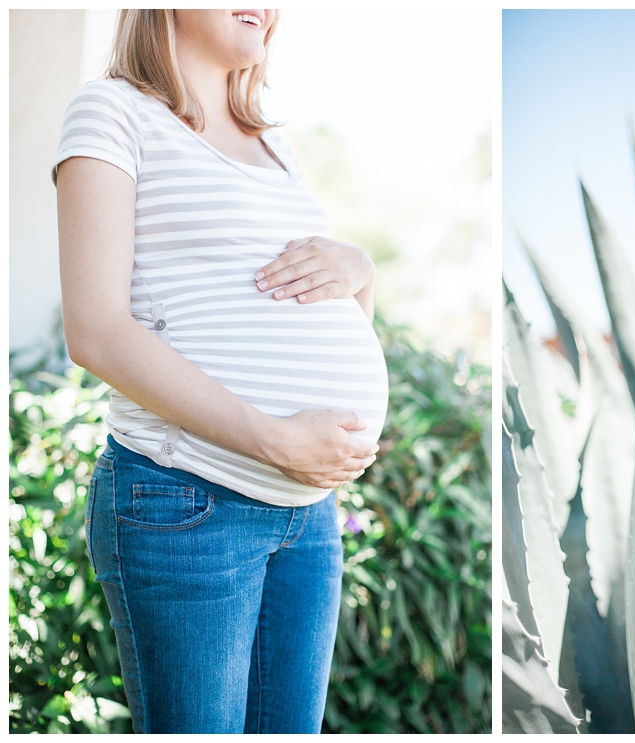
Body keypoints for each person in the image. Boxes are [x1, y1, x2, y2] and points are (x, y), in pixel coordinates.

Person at [54, 9, 389, 734]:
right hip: (185, 499)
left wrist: (360, 271)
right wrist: (273, 438)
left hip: (306, 514)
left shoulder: (277, 146)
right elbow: (97, 331)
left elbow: (309, 296)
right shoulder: (112, 112)